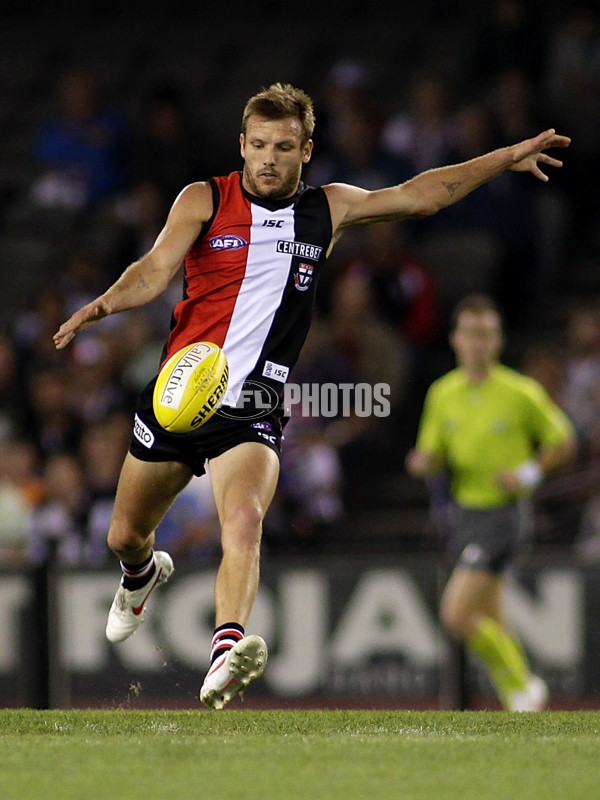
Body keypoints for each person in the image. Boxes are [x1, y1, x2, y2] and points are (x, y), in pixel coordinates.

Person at [53, 82, 570, 709]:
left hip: (253, 409)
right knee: (123, 537)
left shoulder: (329, 208)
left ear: (306, 149)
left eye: (285, 147)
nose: (269, 158)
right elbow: (155, 269)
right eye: (260, 146)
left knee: (243, 521)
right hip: (180, 395)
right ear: (242, 144)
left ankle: (225, 650)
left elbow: (420, 195)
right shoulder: (203, 199)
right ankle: (142, 574)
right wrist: (105, 303)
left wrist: (501, 157)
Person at [405, 294, 576, 711]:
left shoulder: (520, 392)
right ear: (455, 340)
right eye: (471, 333)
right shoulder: (443, 393)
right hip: (464, 514)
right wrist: (423, 462)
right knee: (493, 618)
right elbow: (433, 453)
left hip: (502, 514)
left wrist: (527, 474)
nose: (479, 342)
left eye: (487, 334)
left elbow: (563, 440)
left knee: (457, 614)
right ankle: (519, 698)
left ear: (497, 341)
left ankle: (522, 684)